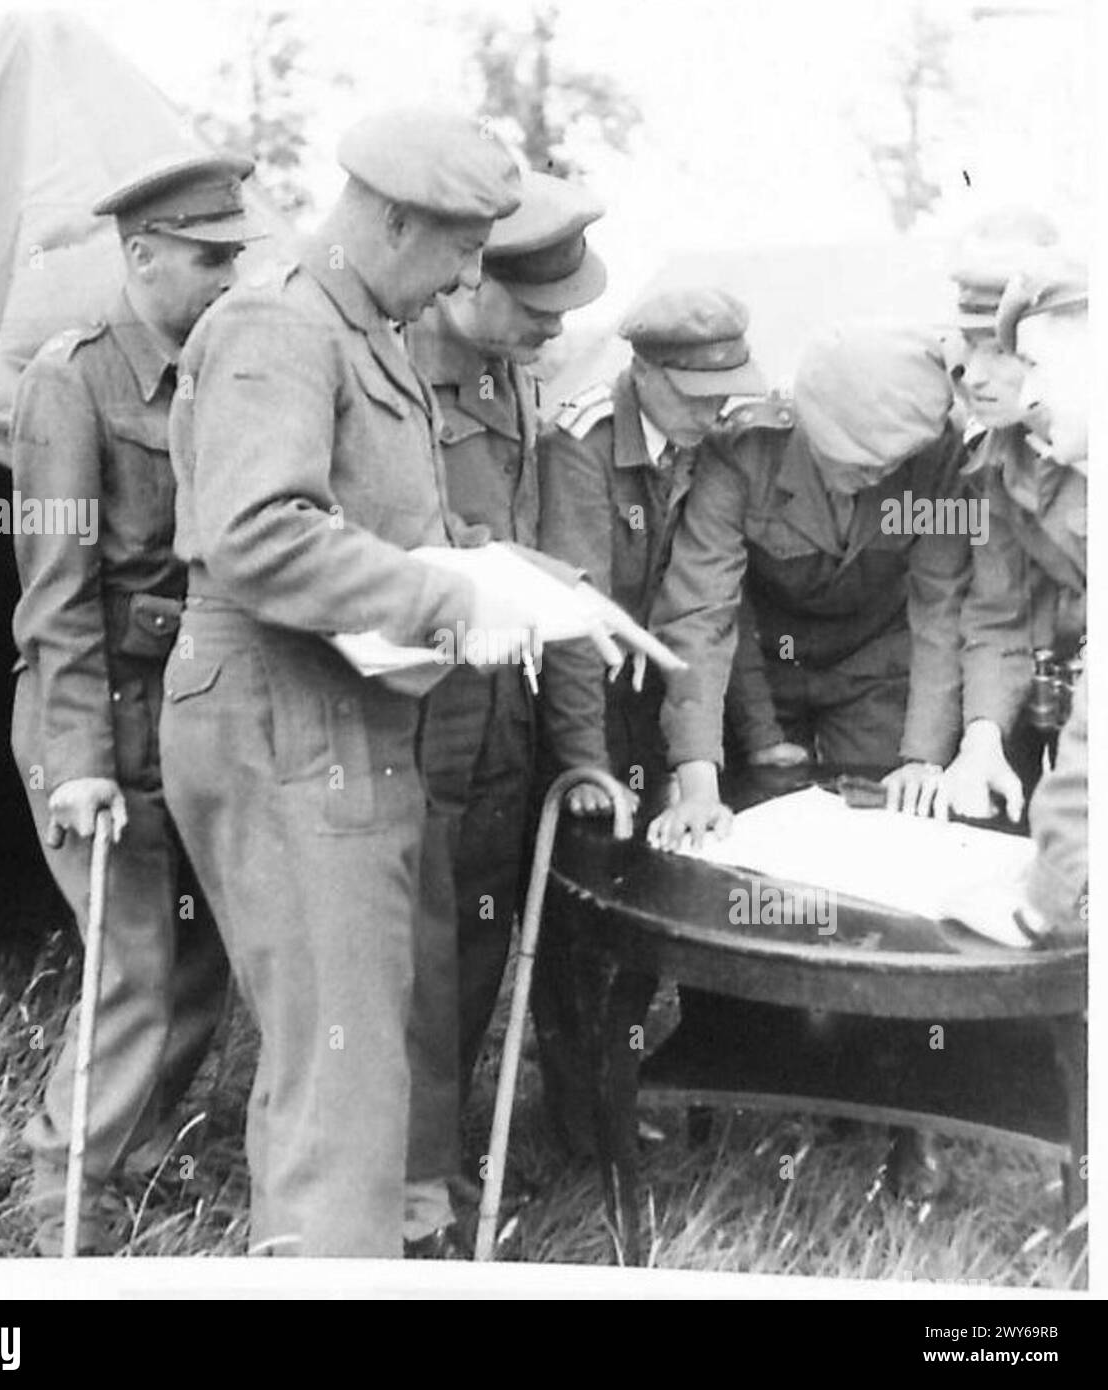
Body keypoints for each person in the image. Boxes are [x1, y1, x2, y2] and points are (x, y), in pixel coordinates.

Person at [158, 109, 665, 1259]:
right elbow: (258, 534)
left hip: (349, 714)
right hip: (282, 718)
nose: (463, 280)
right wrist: (461, 603)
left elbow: (400, 531)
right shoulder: (275, 324)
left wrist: (522, 577)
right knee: (337, 1072)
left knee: (362, 1052)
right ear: (392, 220)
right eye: (457, 252)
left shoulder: (368, 328)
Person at [11, 154, 260, 1254]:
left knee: (201, 949)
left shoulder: (226, 374)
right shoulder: (72, 383)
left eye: (235, 258)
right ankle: (60, 1183)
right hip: (99, 712)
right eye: (208, 258)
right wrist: (77, 760)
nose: (226, 277)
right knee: (134, 959)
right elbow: (53, 598)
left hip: (193, 712)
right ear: (141, 254)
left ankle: (140, 1145)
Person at [533, 283, 791, 1152]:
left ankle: (626, 1085)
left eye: (726, 391)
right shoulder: (580, 448)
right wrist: (581, 764)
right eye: (694, 393)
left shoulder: (704, 440)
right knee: (578, 929)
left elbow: (714, 606)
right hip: (579, 707)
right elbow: (575, 622)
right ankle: (583, 1121)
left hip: (653, 703)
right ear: (639, 370)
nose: (715, 411)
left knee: (651, 908)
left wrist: (734, 740)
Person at [404, 169, 607, 1104]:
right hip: (413, 709)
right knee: (409, 951)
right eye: (538, 310)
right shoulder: (389, 369)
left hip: (497, 718)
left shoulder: (511, 380)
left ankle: (435, 1153)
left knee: (477, 939)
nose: (554, 331)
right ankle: (399, 1172)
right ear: (472, 278)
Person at [648, 323, 971, 851]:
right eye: (860, 458)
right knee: (746, 839)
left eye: (893, 462)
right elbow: (700, 612)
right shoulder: (743, 450)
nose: (879, 475)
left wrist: (924, 759)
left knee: (886, 833)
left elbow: (942, 601)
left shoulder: (937, 452)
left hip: (879, 670)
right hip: (761, 673)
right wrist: (697, 783)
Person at [941, 259, 1089, 945]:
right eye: (964, 348)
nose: (973, 375)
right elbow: (996, 611)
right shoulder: (998, 458)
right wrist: (980, 739)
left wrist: (1044, 896)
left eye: (1002, 352)